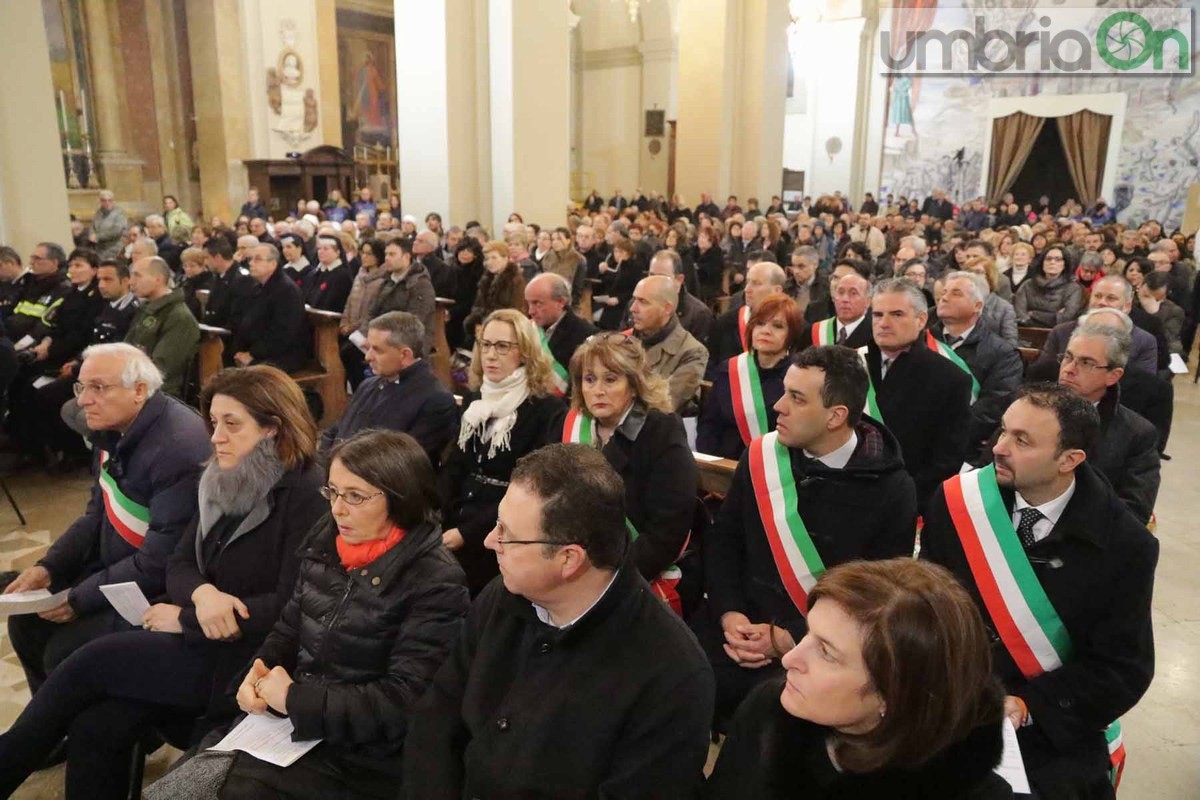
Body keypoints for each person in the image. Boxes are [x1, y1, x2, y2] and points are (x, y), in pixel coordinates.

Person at [0, 365, 325, 799]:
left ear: (272, 429)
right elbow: (179, 563)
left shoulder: (305, 495)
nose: (216, 437)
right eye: (214, 423)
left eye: (232, 424)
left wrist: (186, 618)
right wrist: (204, 594)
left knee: (89, 661)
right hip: (200, 638)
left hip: (244, 661)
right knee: (96, 725)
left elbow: (291, 606)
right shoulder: (222, 474)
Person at [146, 429, 470, 799]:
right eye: (332, 491)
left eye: (355, 496)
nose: (337, 509)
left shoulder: (436, 581)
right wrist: (259, 670)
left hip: (364, 757)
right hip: (295, 727)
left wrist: (294, 700)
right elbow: (290, 626)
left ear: (400, 498)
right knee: (175, 789)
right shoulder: (330, 539)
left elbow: (404, 703)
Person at [404, 443, 715, 798]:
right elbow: (436, 720)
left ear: (569, 559)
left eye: (507, 533)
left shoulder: (673, 675)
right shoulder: (501, 597)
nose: (490, 541)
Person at [921, 385, 1157, 799]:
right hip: (944, 694)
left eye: (1021, 440)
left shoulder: (1126, 545)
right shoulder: (958, 502)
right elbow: (924, 604)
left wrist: (1029, 707)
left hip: (1046, 720)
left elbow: (1122, 670)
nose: (998, 448)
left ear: (1070, 460)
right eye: (1003, 431)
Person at [695, 346, 917, 729]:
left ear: (836, 416)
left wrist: (788, 637)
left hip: (819, 644)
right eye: (784, 391)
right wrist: (730, 613)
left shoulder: (892, 488)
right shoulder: (762, 456)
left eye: (796, 398)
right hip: (736, 624)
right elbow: (725, 541)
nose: (778, 405)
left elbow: (879, 598)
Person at [705, 559, 1012, 800]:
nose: (788, 660)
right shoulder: (768, 710)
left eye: (826, 652)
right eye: (809, 634)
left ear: (892, 693)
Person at [4, 345, 210, 697]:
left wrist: (79, 599)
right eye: (81, 387)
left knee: (64, 652)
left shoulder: (177, 449)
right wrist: (50, 567)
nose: (84, 401)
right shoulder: (114, 429)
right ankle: (54, 729)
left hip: (158, 590)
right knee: (26, 623)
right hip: (117, 567)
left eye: (99, 387)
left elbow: (159, 562)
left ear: (139, 390)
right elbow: (97, 514)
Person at [564, 332, 697, 612]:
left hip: (634, 572)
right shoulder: (572, 427)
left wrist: (602, 580)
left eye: (610, 379)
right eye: (590, 379)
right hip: (573, 564)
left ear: (634, 385)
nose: (598, 390)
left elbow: (666, 532)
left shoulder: (662, 430)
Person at [440, 309, 565, 594]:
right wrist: (436, 516)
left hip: (507, 529)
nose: (490, 355)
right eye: (485, 344)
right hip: (459, 514)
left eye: (502, 346)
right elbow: (456, 465)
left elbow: (532, 489)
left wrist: (467, 534)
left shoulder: (545, 409)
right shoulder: (476, 398)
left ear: (524, 352)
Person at [864, 278, 972, 509]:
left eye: (897, 314)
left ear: (921, 320)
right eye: (877, 314)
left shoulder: (951, 379)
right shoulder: (847, 365)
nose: (884, 323)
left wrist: (904, 498)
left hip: (905, 502)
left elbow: (946, 460)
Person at [321, 312, 458, 465]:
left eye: (377, 350)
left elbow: (401, 464)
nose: (367, 357)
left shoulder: (436, 400)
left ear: (405, 355)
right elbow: (334, 432)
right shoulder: (368, 385)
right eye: (368, 348)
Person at [1057, 321, 1160, 524]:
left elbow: (1134, 511)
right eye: (1068, 357)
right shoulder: (1027, 409)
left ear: (1113, 376)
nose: (1069, 369)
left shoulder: (1137, 434)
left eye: (1086, 363)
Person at [932, 271, 1023, 464]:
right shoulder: (921, 341)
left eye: (956, 293)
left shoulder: (1002, 354)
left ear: (977, 305)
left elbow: (991, 410)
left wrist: (939, 432)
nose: (944, 297)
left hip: (963, 450)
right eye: (944, 292)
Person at [698, 293, 802, 459]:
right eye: (760, 324)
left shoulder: (800, 377)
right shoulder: (729, 370)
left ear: (792, 335)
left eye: (777, 326)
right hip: (724, 464)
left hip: (777, 469)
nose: (766, 331)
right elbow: (709, 426)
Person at [1035, 277, 1165, 376]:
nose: (1102, 302)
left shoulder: (1144, 341)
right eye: (1097, 296)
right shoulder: (1061, 332)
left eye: (1111, 298)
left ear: (1127, 306)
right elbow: (1042, 375)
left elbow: (1143, 384)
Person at [629, 275, 709, 413]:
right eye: (634, 299)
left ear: (667, 309)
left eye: (643, 302)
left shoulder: (692, 352)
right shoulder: (624, 341)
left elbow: (664, 405)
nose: (633, 308)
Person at [123, 256, 199, 398]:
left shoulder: (179, 317)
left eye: (137, 275)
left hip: (157, 394)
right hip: (133, 384)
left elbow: (161, 369)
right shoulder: (147, 309)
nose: (131, 282)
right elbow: (126, 349)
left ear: (158, 279)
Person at [231, 243, 307, 373]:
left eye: (258, 259)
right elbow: (244, 321)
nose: (251, 263)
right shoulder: (257, 287)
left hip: (283, 354)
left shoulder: (287, 290)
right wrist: (240, 350)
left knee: (251, 375)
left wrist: (252, 354)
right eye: (251, 259)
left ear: (273, 264)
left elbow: (282, 333)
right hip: (257, 350)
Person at [707, 260, 788, 375]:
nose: (747, 289)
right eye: (747, 282)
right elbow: (711, 367)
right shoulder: (724, 323)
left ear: (777, 290)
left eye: (756, 283)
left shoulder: (793, 325)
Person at [525, 272, 596, 398]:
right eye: (528, 303)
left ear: (561, 302)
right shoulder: (526, 328)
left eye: (538, 303)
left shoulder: (587, 336)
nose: (531, 311)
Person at [798, 264, 872, 349]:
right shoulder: (814, 332)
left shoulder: (875, 336)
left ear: (868, 301)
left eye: (853, 293)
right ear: (833, 298)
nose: (845, 299)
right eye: (840, 292)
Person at [464, 240, 526, 337]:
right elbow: (478, 306)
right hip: (486, 328)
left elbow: (515, 311)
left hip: (506, 332)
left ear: (505, 258)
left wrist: (489, 324)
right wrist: (477, 323)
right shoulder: (486, 280)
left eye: (494, 258)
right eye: (487, 259)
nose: (489, 262)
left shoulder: (515, 281)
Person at [1014, 246, 1085, 327]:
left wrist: (1034, 314)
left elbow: (1066, 318)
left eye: (1058, 259)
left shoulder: (1073, 288)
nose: (1052, 262)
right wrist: (1052, 316)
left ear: (1064, 264)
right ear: (1042, 263)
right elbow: (1020, 316)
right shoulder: (1027, 285)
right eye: (1048, 259)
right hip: (1027, 332)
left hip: (1058, 334)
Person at [304, 235, 353, 312]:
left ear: (337, 252)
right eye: (319, 248)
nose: (321, 251)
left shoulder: (342, 276)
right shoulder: (315, 273)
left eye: (326, 249)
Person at [90, 191, 128, 260]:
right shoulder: (98, 213)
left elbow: (116, 231)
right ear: (100, 201)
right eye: (104, 200)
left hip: (114, 248)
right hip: (99, 248)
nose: (107, 203)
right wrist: (91, 235)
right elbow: (92, 227)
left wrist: (98, 236)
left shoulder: (119, 213)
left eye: (109, 200)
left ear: (113, 201)